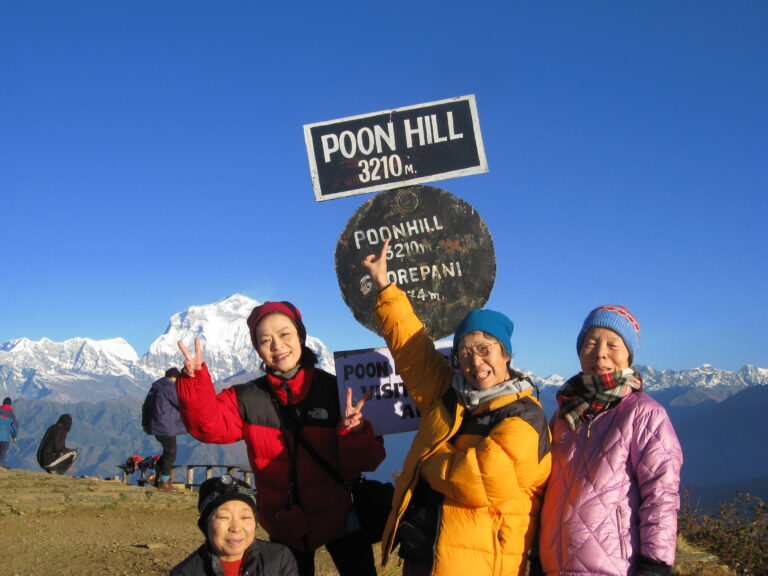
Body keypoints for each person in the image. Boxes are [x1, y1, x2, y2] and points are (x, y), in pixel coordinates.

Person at [361, 240, 552, 576]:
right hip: (425, 551)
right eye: (464, 353)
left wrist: (426, 458)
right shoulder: (452, 394)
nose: (474, 362)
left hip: (475, 563)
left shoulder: (524, 415)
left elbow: (475, 480)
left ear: (505, 354)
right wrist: (385, 286)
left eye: (484, 349)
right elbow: (412, 349)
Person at [176, 300, 386, 576]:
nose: (277, 346)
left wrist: (355, 432)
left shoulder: (336, 391)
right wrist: (195, 381)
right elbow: (208, 426)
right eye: (265, 340)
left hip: (339, 513)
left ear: (300, 334)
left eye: (285, 334)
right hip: (286, 522)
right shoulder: (247, 398)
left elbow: (368, 461)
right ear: (257, 348)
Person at [538, 305, 683, 576]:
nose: (600, 353)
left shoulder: (644, 413)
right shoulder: (564, 413)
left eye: (612, 344)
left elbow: (661, 494)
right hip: (553, 563)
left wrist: (655, 565)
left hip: (614, 566)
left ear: (628, 355)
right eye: (590, 343)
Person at [170, 474, 299, 576]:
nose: (236, 528)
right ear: (205, 524)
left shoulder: (279, 559)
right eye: (223, 517)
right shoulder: (185, 573)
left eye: (245, 517)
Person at [142, 367, 187, 491]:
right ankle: (164, 482)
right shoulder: (170, 388)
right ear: (174, 378)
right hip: (166, 426)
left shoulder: (155, 388)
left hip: (156, 425)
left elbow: (145, 406)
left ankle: (155, 475)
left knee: (167, 452)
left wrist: (145, 424)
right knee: (171, 453)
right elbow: (181, 404)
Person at [0, 397, 19, 468]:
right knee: (2, 454)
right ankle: (1, 468)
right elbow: (15, 427)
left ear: (3, 403)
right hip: (5, 438)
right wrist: (14, 437)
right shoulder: (12, 415)